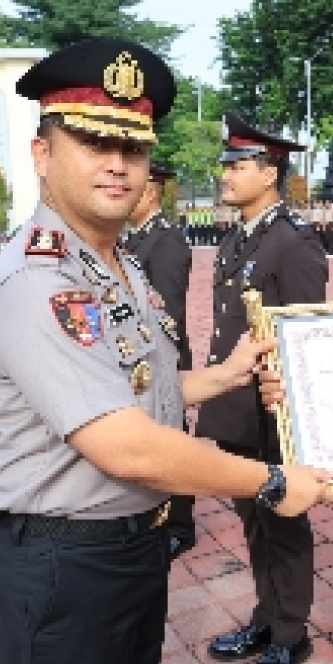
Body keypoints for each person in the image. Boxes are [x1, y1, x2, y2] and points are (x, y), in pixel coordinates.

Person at [0, 38, 332, 664]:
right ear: (42, 154)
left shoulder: (121, 266)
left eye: (132, 148)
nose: (117, 164)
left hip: (131, 545)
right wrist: (272, 481)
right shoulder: (39, 281)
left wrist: (222, 377)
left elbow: (137, 388)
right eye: (93, 143)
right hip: (66, 562)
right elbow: (125, 444)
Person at [198, 112, 329, 664]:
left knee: (283, 524)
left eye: (238, 166)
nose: (226, 175)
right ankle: (266, 616)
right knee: (253, 522)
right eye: (226, 165)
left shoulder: (293, 242)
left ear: (269, 173)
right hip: (238, 408)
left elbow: (305, 338)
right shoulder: (239, 237)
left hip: (276, 413)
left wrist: (296, 417)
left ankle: (290, 634)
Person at [124, 161, 196, 559]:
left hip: (162, 358)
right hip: (139, 358)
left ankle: (180, 525)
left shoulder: (167, 242)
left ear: (151, 192)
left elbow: (167, 310)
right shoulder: (135, 239)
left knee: (172, 440)